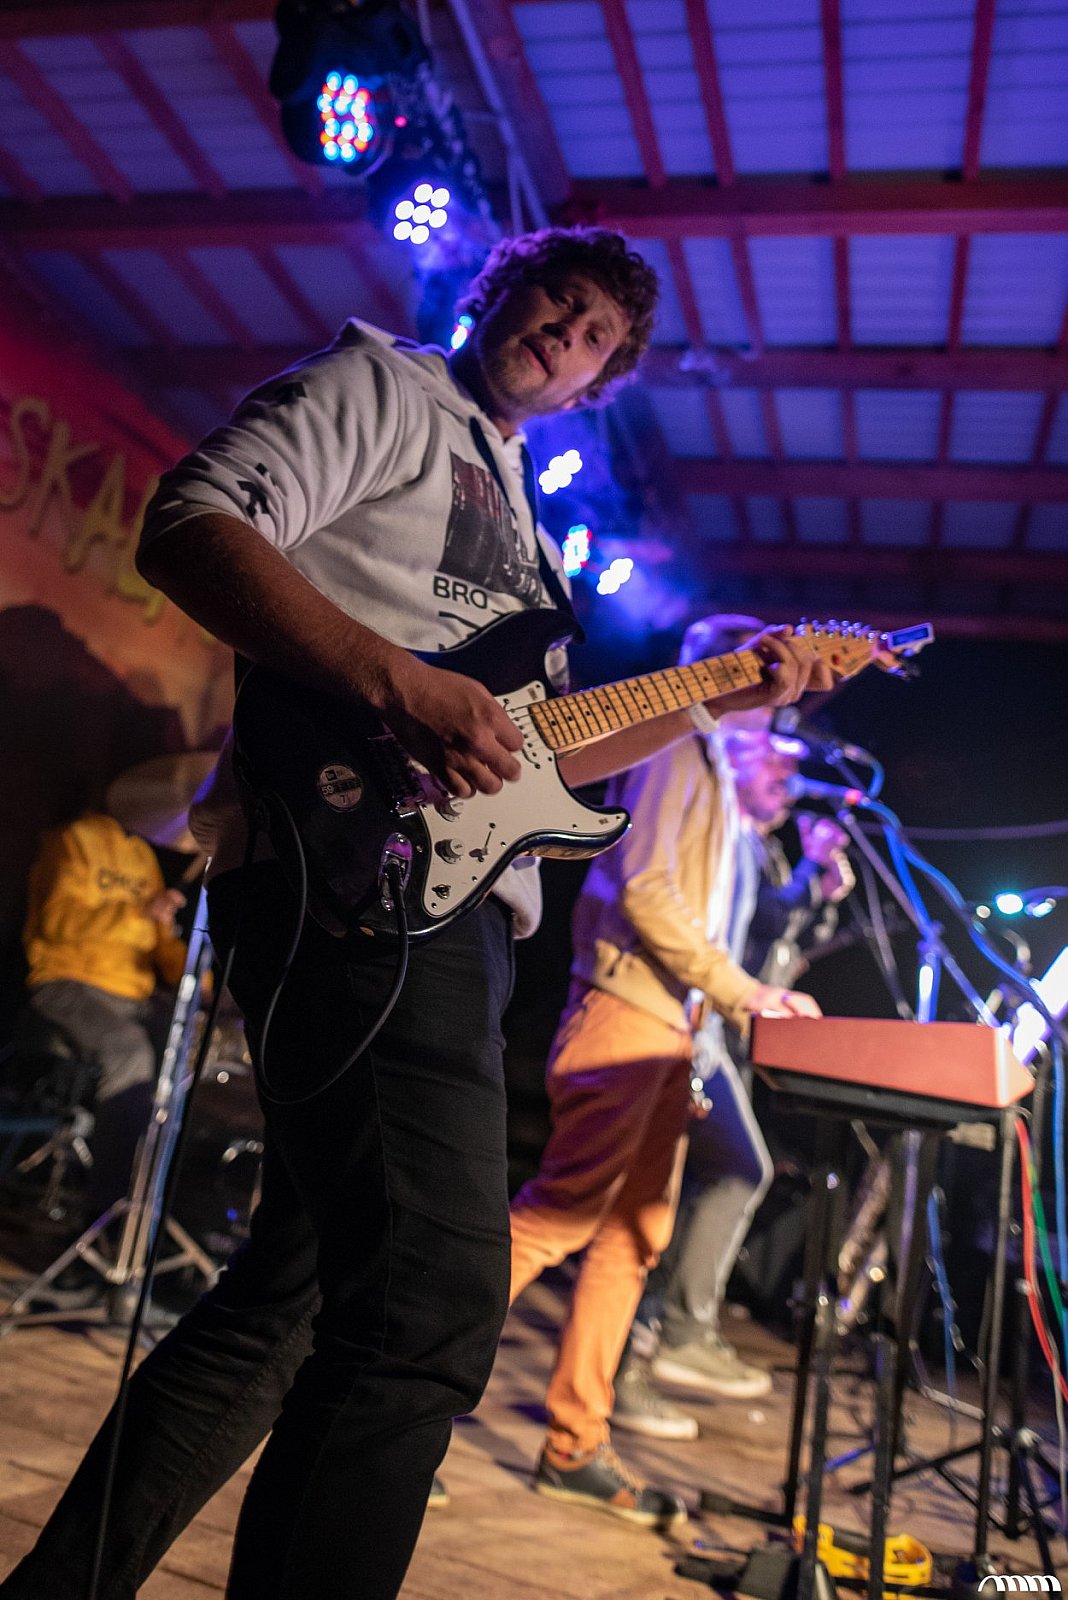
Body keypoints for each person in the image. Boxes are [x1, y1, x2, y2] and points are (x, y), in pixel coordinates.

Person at [0, 228, 831, 1600]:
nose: (564, 335)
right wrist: (397, 683)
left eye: (595, 339)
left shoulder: (530, 520)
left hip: (455, 908)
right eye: (555, 301)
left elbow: (546, 748)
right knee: (432, 1311)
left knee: (291, 1301)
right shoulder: (381, 387)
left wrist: (725, 696)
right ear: (497, 290)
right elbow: (190, 521)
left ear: (598, 386)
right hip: (363, 876)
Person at [505, 614, 825, 1528]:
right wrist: (742, 992)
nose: (777, 694)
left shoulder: (719, 777)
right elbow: (645, 887)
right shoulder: (676, 750)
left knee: (633, 1237)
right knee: (559, 1220)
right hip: (624, 1013)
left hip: (671, 1029)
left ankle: (575, 1444)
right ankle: (399, 1405)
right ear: (722, 672)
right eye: (761, 671)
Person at [613, 720, 853, 1440]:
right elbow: (736, 928)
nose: (787, 784)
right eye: (774, 766)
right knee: (642, 1201)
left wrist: (821, 892)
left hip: (707, 1029)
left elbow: (780, 940)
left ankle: (630, 1368)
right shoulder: (713, 813)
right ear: (736, 760)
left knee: (661, 1205)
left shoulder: (751, 845)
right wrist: (811, 875)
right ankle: (660, 1343)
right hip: (675, 1021)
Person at [14, 811, 186, 1222]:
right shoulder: (77, 837)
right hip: (65, 981)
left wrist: (202, 970)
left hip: (132, 996)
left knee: (184, 1050)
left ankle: (155, 1206)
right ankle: (107, 1210)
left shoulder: (144, 856)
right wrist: (138, 913)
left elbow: (162, 947)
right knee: (129, 1052)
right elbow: (57, 922)